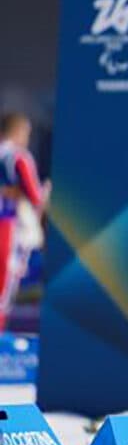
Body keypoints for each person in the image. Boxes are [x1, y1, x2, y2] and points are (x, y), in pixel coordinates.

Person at [0, 113, 47, 330]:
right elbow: (35, 196)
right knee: (3, 290)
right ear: (19, 132)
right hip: (5, 227)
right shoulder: (18, 157)